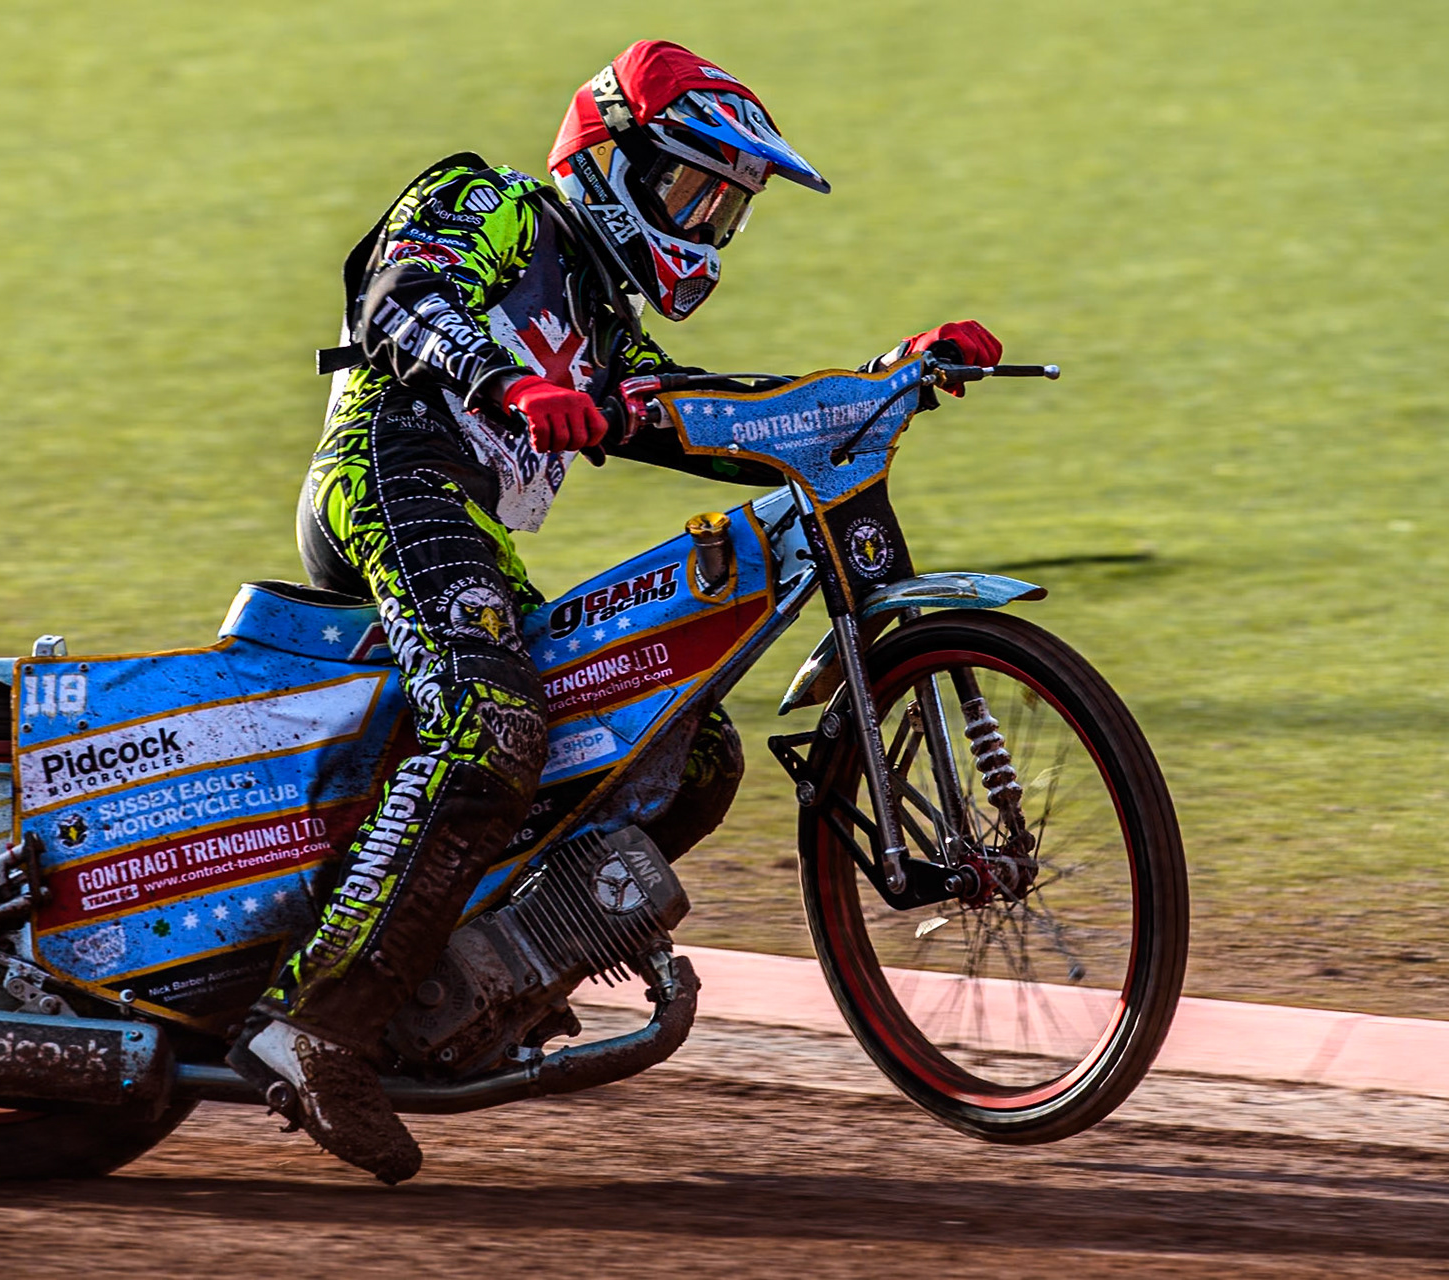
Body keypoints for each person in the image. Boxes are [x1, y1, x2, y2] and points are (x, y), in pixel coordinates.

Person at [227, 39, 1003, 1184]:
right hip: (388, 470)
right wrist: (512, 384)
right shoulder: (487, 202)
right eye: (690, 190)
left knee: (684, 754)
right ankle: (315, 1023)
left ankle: (482, 977)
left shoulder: (604, 319)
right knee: (492, 729)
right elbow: (403, 296)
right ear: (608, 159)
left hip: (470, 529)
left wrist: (885, 380)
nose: (705, 225)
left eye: (724, 209)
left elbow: (701, 414)